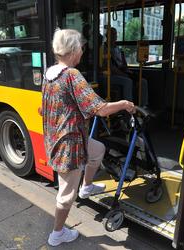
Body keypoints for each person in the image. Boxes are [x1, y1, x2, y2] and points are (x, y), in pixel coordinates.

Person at [42, 28, 136, 247]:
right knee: (65, 195)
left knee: (97, 150)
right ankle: (57, 234)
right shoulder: (72, 75)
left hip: (60, 137)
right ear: (74, 50)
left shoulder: (50, 72)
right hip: (70, 144)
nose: (83, 51)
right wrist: (124, 104)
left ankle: (87, 187)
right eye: (81, 47)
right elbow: (100, 109)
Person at [104, 27, 149, 106]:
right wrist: (124, 75)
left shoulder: (118, 49)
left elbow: (124, 65)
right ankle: (129, 109)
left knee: (143, 81)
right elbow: (111, 67)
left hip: (122, 71)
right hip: (111, 74)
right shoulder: (104, 49)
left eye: (115, 34)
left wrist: (128, 72)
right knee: (128, 81)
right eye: (112, 34)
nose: (115, 37)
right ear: (107, 36)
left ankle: (143, 106)